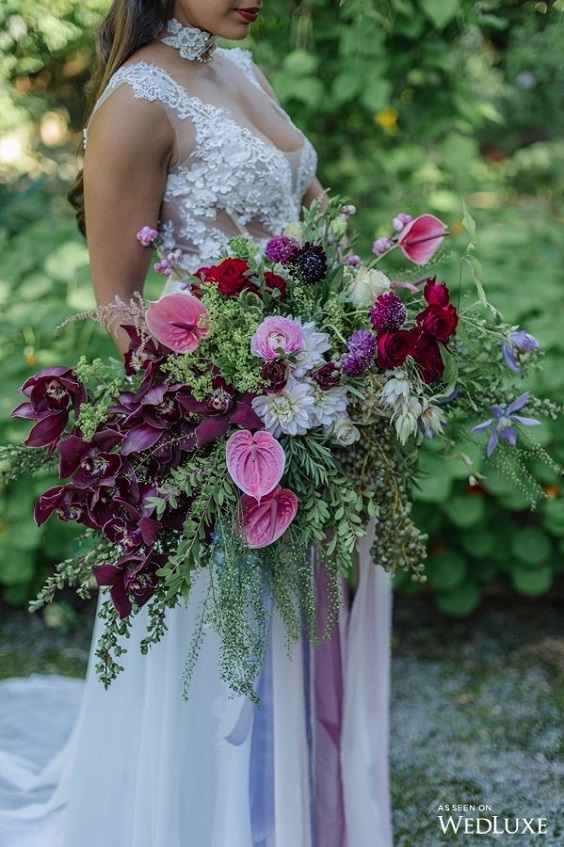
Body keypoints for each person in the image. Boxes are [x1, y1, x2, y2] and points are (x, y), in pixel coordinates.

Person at [0, 2, 393, 845]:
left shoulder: (240, 67)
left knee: (295, 643)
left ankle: (294, 816)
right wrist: (223, 409)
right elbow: (121, 304)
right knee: (223, 661)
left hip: (309, 399)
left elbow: (311, 222)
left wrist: (366, 329)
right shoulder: (137, 99)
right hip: (213, 430)